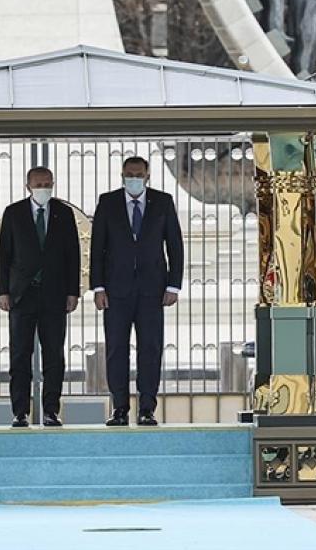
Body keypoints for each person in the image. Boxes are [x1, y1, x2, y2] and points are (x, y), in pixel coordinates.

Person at [90, 156, 184, 427]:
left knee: (150, 349)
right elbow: (98, 248)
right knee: (116, 350)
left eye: (138, 174)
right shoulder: (108, 202)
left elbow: (174, 246)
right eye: (129, 173)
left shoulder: (163, 202)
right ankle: (119, 408)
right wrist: (98, 287)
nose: (134, 178)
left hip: (152, 290)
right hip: (115, 290)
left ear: (147, 175)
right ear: (122, 174)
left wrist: (173, 285)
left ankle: (147, 408)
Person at [0, 166, 80, 428]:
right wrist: (3, 291)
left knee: (54, 355)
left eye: (48, 183)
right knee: (20, 354)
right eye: (38, 184)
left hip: (55, 296)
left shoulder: (63, 213)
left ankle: (51, 411)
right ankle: (20, 411)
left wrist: (72, 291)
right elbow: (4, 255)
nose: (43, 188)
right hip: (22, 296)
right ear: (28, 185)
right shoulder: (13, 213)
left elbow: (73, 255)